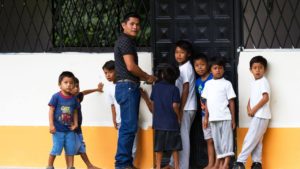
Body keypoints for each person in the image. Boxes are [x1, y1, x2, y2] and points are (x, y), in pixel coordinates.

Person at [114, 12, 156, 169]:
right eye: (132, 24)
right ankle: (122, 164)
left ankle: (125, 163)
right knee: (129, 127)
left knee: (128, 126)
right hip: (127, 86)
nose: (135, 27)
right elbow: (130, 66)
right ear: (123, 25)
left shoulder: (127, 41)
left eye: (137, 24)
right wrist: (147, 76)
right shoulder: (125, 41)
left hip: (127, 86)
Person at [140, 63, 182, 169]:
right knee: (175, 147)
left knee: (159, 148)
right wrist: (179, 116)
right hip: (172, 123)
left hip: (158, 123)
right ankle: (177, 166)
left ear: (162, 75)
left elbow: (153, 107)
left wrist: (145, 97)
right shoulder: (175, 89)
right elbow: (175, 105)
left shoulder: (156, 88)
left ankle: (158, 166)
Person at [232, 56, 271, 169]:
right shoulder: (255, 82)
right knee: (256, 141)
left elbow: (265, 98)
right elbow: (253, 97)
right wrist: (249, 107)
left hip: (261, 115)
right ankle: (257, 164)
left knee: (250, 139)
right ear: (251, 70)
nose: (257, 70)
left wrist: (253, 110)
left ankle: (240, 162)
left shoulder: (263, 81)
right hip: (257, 115)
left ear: (265, 70)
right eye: (255, 68)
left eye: (260, 68)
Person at [202, 57, 236, 169]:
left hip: (225, 117)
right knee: (217, 142)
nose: (218, 70)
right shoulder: (208, 84)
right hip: (213, 118)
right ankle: (221, 164)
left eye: (220, 68)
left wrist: (233, 119)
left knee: (227, 141)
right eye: (215, 68)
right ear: (210, 70)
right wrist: (206, 118)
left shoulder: (227, 84)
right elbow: (206, 103)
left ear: (223, 70)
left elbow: (231, 101)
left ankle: (225, 164)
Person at [169, 40, 197, 169]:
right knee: (179, 135)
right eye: (176, 52)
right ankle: (172, 164)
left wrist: (180, 108)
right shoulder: (182, 67)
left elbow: (186, 88)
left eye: (182, 52)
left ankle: (183, 166)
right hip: (186, 107)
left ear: (188, 54)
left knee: (183, 137)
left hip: (186, 107)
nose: (178, 55)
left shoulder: (186, 68)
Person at [102, 60, 138, 160]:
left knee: (133, 146)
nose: (108, 75)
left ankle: (130, 164)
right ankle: (123, 164)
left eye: (110, 72)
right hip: (120, 122)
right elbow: (112, 105)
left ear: (117, 71)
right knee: (122, 145)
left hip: (130, 119)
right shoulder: (109, 88)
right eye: (105, 73)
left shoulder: (125, 85)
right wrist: (114, 119)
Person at [47, 71, 79, 169]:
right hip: (58, 130)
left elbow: (75, 112)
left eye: (71, 83)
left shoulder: (74, 98)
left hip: (69, 130)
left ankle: (70, 167)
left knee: (70, 150)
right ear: (60, 85)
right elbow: (51, 111)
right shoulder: (56, 97)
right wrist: (51, 125)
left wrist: (76, 124)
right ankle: (50, 166)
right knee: (56, 149)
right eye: (66, 82)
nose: (68, 85)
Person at [71, 77, 103, 169]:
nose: (77, 88)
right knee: (72, 148)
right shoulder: (67, 100)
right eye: (74, 86)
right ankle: (71, 166)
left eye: (78, 86)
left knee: (81, 146)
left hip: (78, 128)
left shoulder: (78, 97)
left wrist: (97, 89)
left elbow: (84, 92)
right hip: (71, 129)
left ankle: (89, 166)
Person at [193, 54, 215, 169]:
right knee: (209, 140)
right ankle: (211, 163)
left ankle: (218, 163)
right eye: (197, 65)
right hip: (203, 116)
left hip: (216, 115)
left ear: (207, 65)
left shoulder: (213, 78)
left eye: (202, 65)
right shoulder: (197, 82)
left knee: (218, 140)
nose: (200, 67)